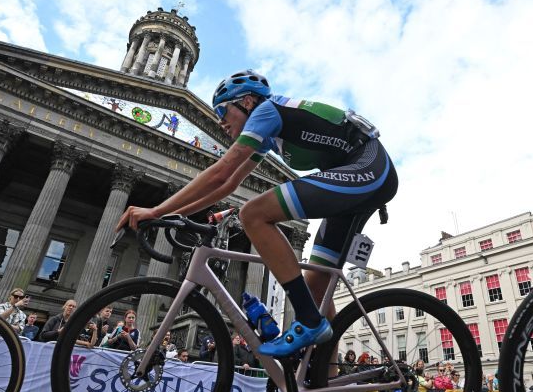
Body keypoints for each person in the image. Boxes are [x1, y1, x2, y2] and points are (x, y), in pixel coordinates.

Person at [116, 70, 398, 358]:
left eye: (222, 111)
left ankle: (308, 322)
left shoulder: (267, 110)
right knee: (316, 291)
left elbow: (221, 171)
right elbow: (228, 184)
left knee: (253, 214)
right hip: (360, 178)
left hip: (368, 167)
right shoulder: (268, 133)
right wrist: (172, 215)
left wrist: (156, 209)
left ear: (247, 102)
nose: (220, 121)